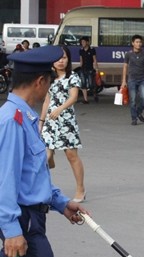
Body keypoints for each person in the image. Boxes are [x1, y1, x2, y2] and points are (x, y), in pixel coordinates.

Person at [0, 45, 94, 257]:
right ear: (40, 82)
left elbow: (32, 177)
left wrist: (61, 203)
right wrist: (11, 230)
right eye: (48, 84)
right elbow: (5, 180)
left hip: (28, 218)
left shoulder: (22, 117)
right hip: (21, 224)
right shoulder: (13, 121)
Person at [40, 45, 86, 203]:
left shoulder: (72, 77)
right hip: (50, 122)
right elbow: (47, 100)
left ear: (68, 60)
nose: (61, 61)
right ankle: (43, 189)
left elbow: (73, 97)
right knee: (45, 157)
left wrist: (60, 109)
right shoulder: (49, 78)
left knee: (72, 156)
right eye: (58, 58)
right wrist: (41, 121)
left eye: (64, 58)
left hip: (66, 121)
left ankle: (80, 189)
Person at [121, 34, 144, 126]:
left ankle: (138, 112)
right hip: (131, 80)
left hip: (142, 80)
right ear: (133, 43)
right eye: (137, 42)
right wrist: (124, 81)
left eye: (140, 42)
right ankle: (134, 118)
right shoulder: (128, 54)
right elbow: (125, 67)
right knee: (132, 100)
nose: (139, 44)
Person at [78, 36, 99, 104]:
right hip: (83, 69)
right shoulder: (81, 50)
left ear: (87, 42)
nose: (82, 43)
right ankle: (85, 100)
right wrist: (79, 68)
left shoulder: (92, 50)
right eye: (81, 42)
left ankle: (95, 94)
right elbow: (81, 60)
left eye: (83, 42)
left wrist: (96, 69)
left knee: (91, 84)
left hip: (90, 69)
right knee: (83, 84)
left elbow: (94, 60)